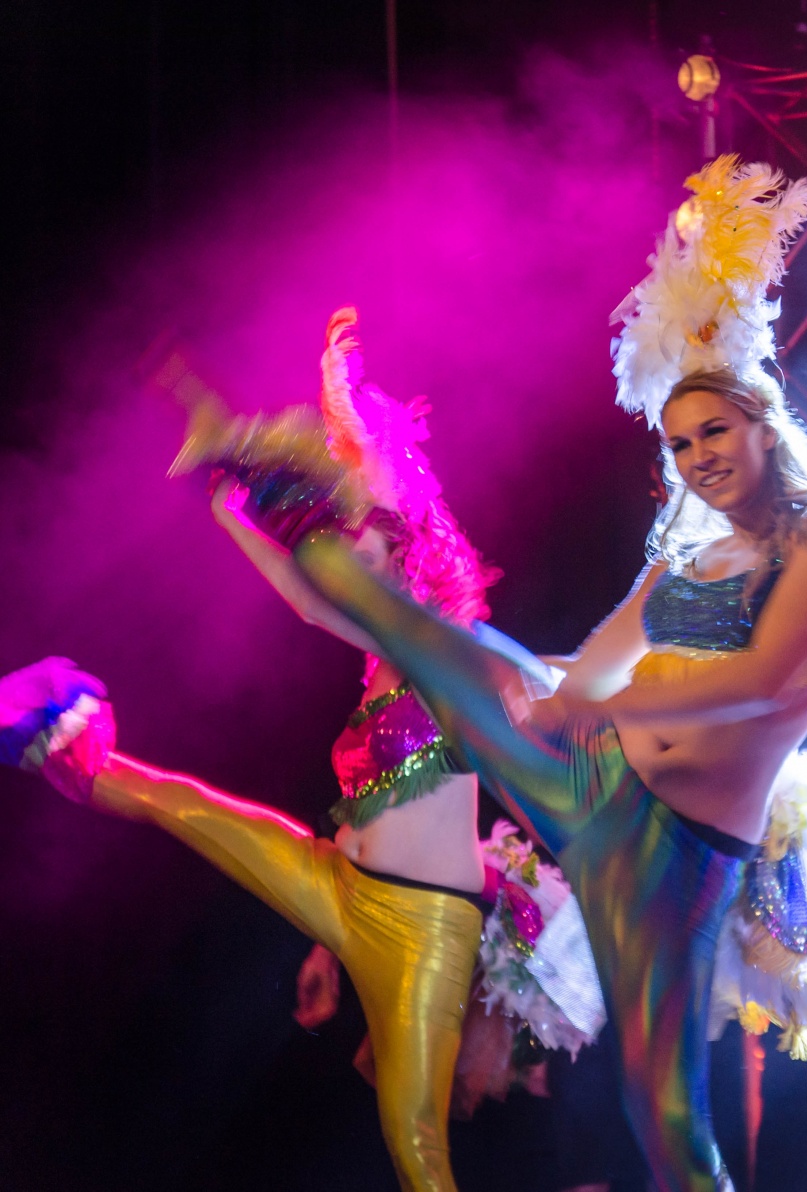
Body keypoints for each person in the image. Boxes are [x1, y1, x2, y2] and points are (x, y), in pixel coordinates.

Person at [143, 156, 807, 1192]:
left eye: (714, 433)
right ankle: (260, 462)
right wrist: (555, 693)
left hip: (672, 858)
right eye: (681, 444)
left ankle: (309, 479)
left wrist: (591, 700)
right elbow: (612, 648)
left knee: (664, 1119)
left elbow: (764, 681)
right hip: (593, 786)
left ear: (766, 425)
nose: (697, 458)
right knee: (417, 635)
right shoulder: (701, 550)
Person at [0, 309, 508, 1192]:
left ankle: (230, 434)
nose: (347, 547)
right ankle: (52, 734)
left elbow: (390, 512)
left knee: (415, 1145)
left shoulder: (448, 648)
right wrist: (233, 516)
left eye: (365, 535)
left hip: (423, 927)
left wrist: (344, 404)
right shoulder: (378, 652)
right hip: (340, 889)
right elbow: (311, 600)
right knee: (179, 803)